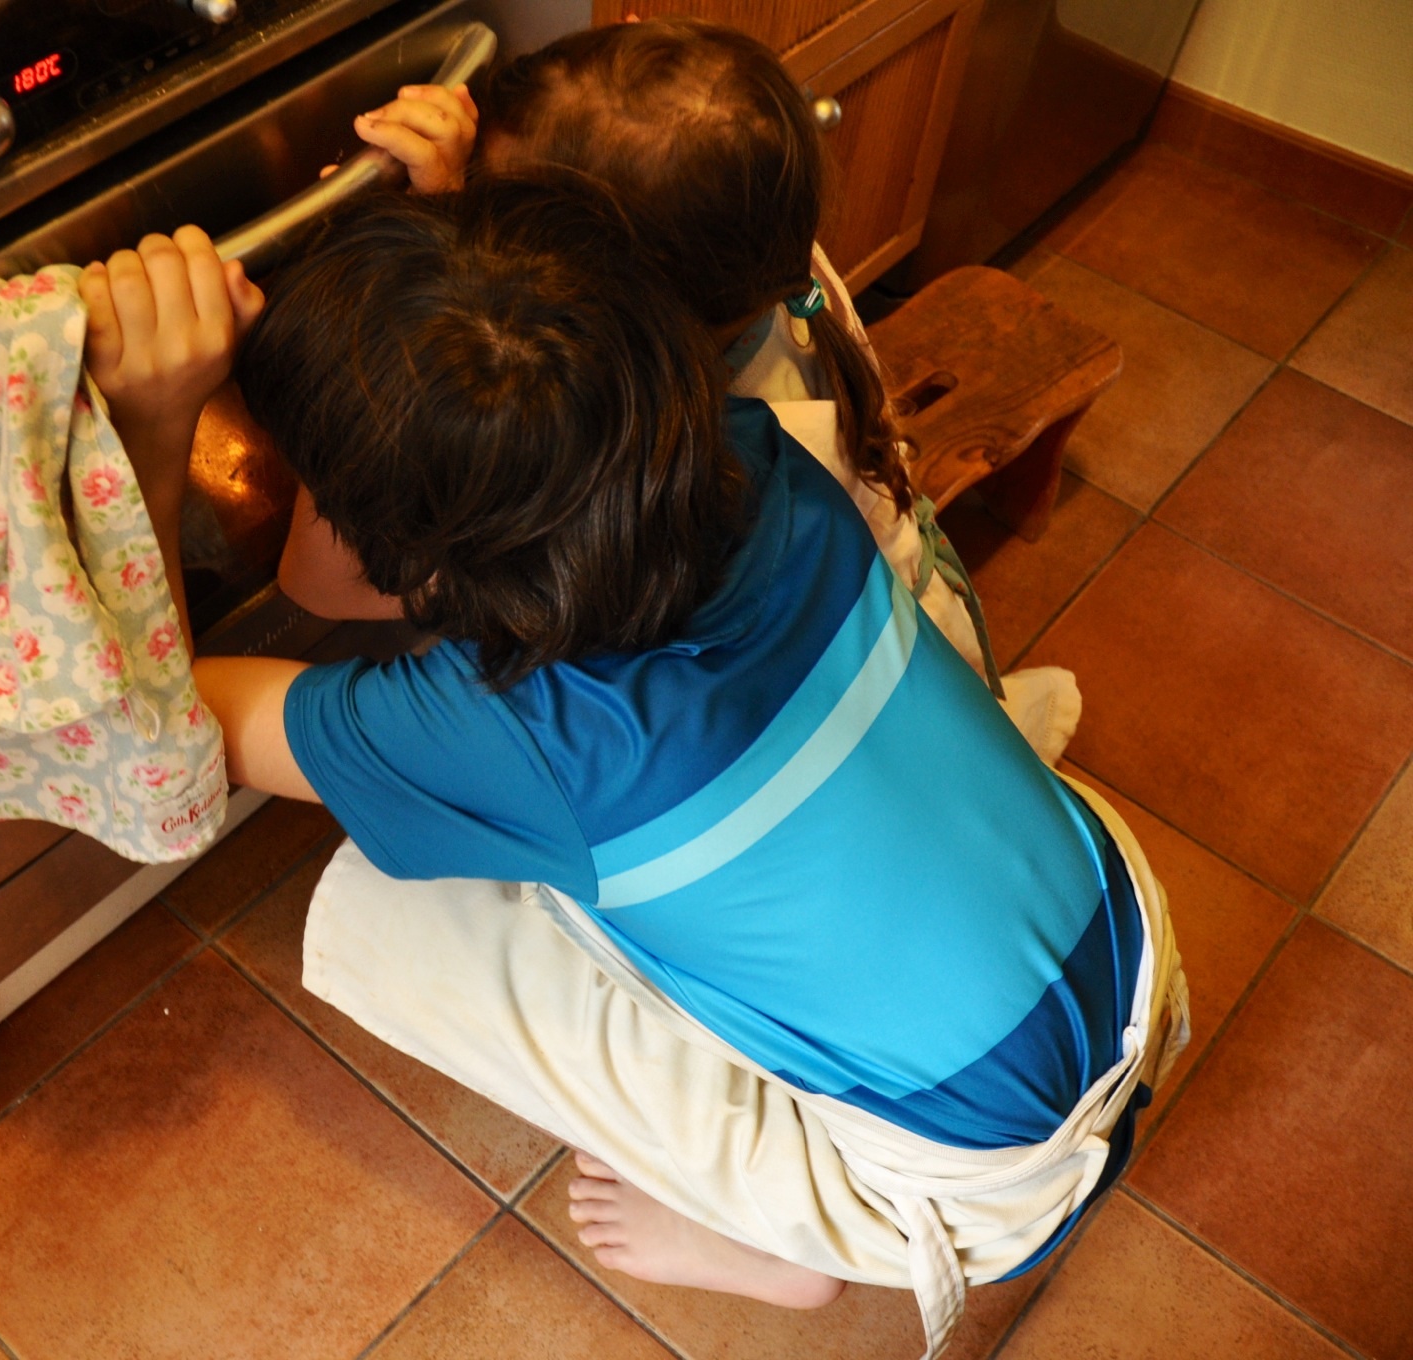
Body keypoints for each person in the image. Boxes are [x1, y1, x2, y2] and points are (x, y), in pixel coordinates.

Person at [76, 180, 1186, 1358]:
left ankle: (779, 1235)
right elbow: (347, 569)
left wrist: (149, 424)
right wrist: (441, 293)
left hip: (978, 1185)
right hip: (1128, 940)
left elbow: (165, 728)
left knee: (412, 921)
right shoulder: (754, 455)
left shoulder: (511, 741)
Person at [278, 18, 1083, 763]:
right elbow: (660, 138)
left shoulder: (637, 467)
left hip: (808, 716)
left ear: (596, 303)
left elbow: (321, 584)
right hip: (897, 628)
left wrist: (399, 285)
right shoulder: (758, 250)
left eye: (498, 208)